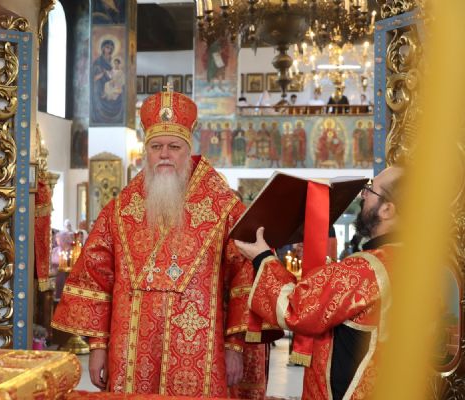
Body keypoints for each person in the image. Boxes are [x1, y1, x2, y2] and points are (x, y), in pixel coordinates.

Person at [52, 87, 263, 397]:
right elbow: (94, 277)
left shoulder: (224, 208)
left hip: (201, 351)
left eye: (174, 146)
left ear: (188, 150)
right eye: (156, 146)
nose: (164, 154)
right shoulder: (120, 210)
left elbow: (245, 277)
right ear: (146, 151)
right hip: (130, 350)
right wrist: (98, 346)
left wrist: (234, 346)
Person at [234, 166, 404, 400]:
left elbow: (296, 309)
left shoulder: (367, 268)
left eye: (370, 190)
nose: (363, 196)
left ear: (387, 209)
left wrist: (262, 257)